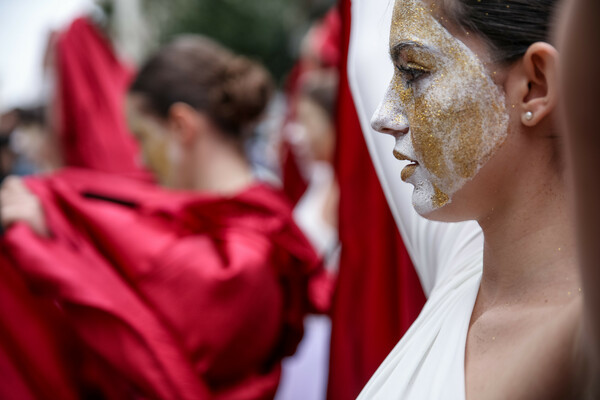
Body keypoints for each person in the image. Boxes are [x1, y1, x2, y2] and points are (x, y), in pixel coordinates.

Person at [0, 35, 327, 399]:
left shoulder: (243, 258)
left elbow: (140, 297)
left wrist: (54, 241)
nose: (140, 160)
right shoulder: (260, 218)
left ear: (180, 125)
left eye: (141, 137)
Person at [346, 0, 597, 398]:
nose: (383, 116)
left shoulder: (579, 340)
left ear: (536, 86)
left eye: (413, 72)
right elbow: (362, 53)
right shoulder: (464, 265)